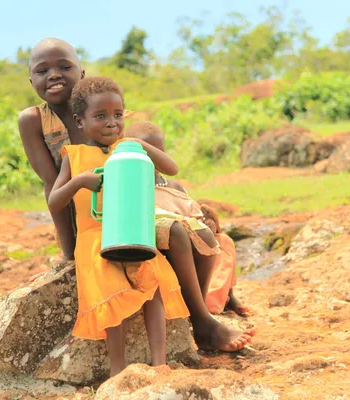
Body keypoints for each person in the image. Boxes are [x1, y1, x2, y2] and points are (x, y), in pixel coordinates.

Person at [18, 38, 255, 352]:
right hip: (87, 219)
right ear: (31, 79)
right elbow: (53, 186)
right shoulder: (34, 120)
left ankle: (203, 315)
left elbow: (141, 163)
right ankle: (202, 320)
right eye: (42, 69)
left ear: (82, 72)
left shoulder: (102, 107)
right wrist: (69, 252)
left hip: (127, 208)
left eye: (65, 66)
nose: (54, 75)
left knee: (198, 235)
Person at [47, 76, 189, 376]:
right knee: (110, 290)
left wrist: (138, 143)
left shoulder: (130, 149)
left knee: (153, 283)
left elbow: (172, 168)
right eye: (100, 116)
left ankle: (159, 363)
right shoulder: (73, 157)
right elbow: (55, 201)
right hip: (95, 238)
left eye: (118, 115)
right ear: (79, 121)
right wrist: (79, 182)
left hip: (133, 231)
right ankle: (117, 370)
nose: (112, 123)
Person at [124, 122, 249, 316]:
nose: (155, 160)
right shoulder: (135, 185)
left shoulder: (175, 186)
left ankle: (226, 296)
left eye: (160, 153)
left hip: (198, 243)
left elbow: (194, 216)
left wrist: (209, 223)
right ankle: (199, 305)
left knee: (224, 242)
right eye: (148, 153)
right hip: (174, 249)